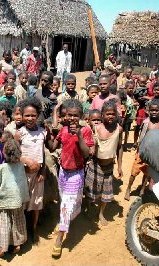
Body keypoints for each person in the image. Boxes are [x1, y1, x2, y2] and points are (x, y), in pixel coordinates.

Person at [46, 99, 94, 258]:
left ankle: (60, 237)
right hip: (63, 172)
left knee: (67, 204)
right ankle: (65, 221)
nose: (72, 118)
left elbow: (86, 153)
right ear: (65, 116)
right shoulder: (64, 129)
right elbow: (53, 147)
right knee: (64, 200)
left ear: (81, 116)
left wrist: (79, 135)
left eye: (75, 115)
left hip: (76, 173)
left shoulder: (85, 131)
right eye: (69, 115)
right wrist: (47, 135)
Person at [0, 138, 29, 256]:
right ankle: (17, 244)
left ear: (4, 153)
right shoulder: (21, 166)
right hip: (17, 200)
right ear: (19, 152)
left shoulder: (2, 168)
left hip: (4, 201)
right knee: (17, 222)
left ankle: (2, 248)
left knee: (4, 224)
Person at [14, 97, 47, 243]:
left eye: (33, 115)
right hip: (23, 175)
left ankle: (34, 229)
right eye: (27, 115)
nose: (30, 118)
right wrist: (26, 161)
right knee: (21, 204)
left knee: (36, 203)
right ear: (22, 115)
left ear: (38, 115)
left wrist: (42, 171)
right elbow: (14, 155)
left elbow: (43, 153)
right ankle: (22, 231)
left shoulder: (42, 132)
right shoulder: (19, 133)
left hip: (37, 176)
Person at [85, 100, 123, 225]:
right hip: (95, 165)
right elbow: (91, 145)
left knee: (106, 193)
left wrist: (120, 166)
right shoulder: (96, 128)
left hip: (109, 167)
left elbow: (119, 147)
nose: (110, 116)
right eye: (107, 114)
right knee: (91, 190)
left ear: (116, 115)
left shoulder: (119, 129)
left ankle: (101, 213)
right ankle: (89, 209)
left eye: (113, 114)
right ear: (102, 115)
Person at [125, 99, 159, 201]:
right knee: (134, 171)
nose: (154, 112)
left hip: (155, 153)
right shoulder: (146, 122)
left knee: (148, 173)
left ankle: (142, 190)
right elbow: (141, 138)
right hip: (143, 152)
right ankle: (128, 189)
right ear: (148, 111)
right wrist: (141, 151)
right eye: (152, 110)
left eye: (156, 110)